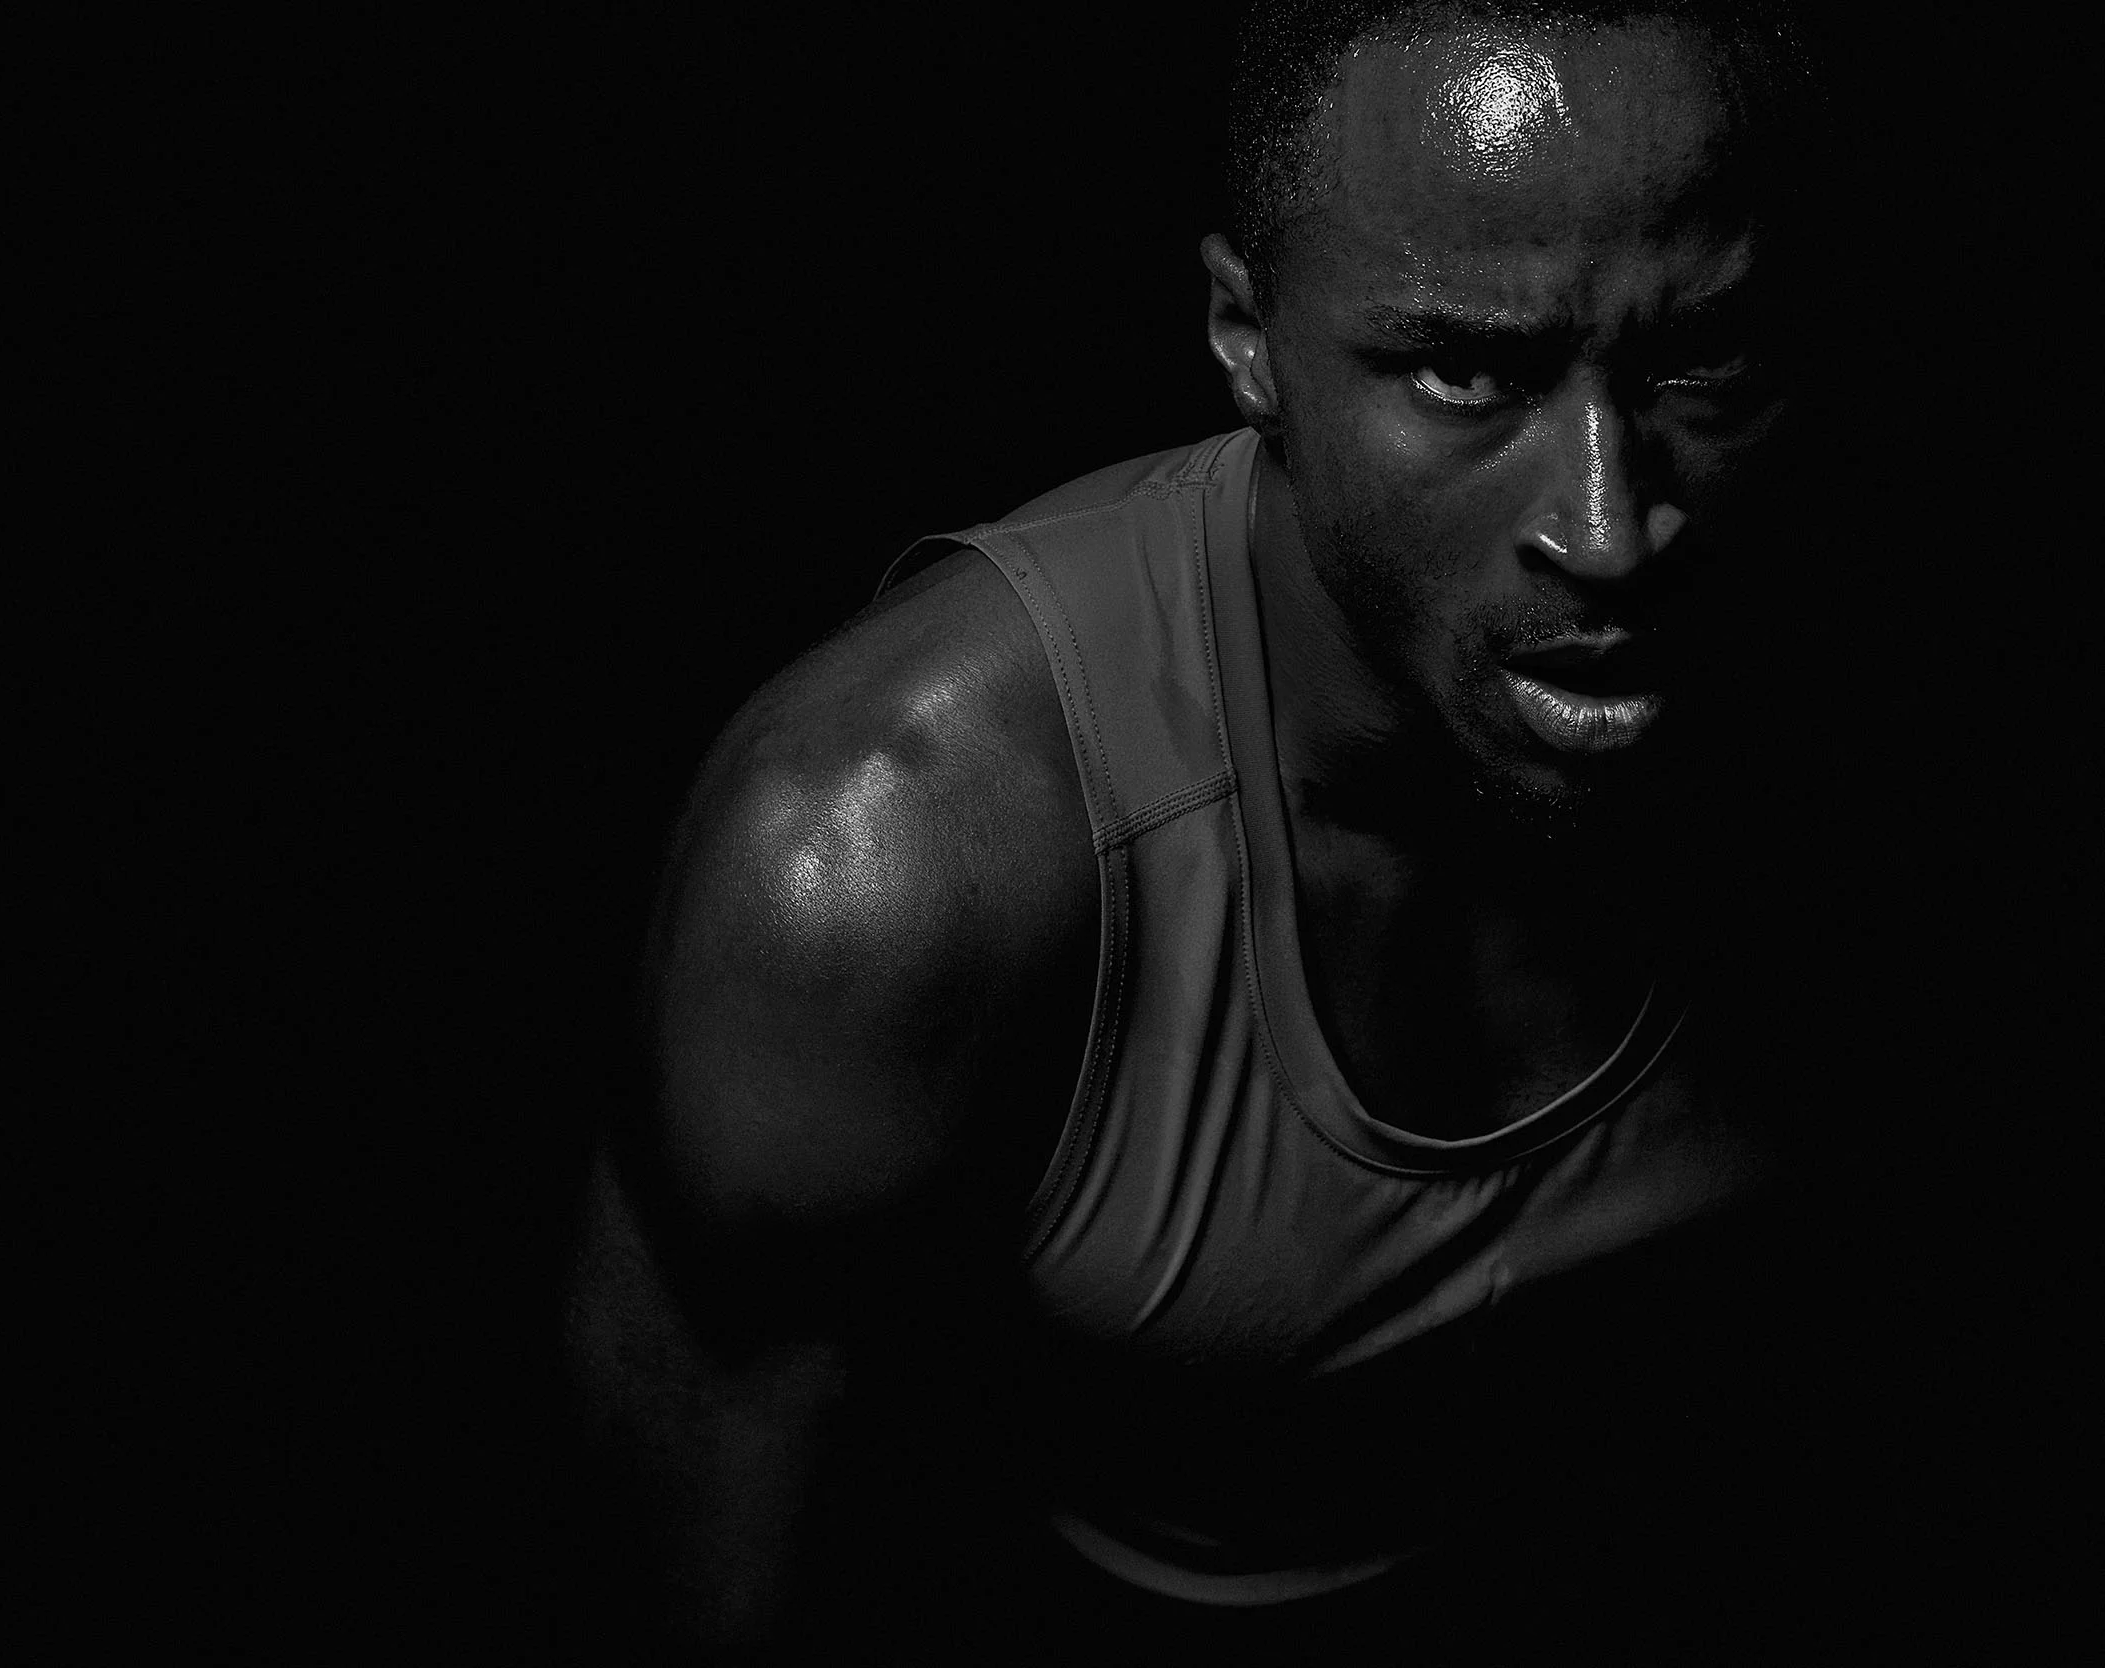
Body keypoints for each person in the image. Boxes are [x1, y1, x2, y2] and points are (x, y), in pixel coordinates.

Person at [566, 1, 1855, 1656]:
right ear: (1249, 338)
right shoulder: (884, 865)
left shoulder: (1878, 678)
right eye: (1471, 371)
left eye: (1698, 360)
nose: (1608, 530)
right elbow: (704, 1564)